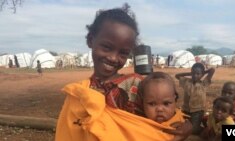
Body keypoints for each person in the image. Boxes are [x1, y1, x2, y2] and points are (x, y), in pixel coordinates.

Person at [56, 4, 191, 141]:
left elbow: (168, 117)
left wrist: (187, 127)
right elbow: (70, 133)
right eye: (107, 47)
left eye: (123, 53)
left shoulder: (137, 85)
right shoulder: (78, 94)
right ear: (91, 40)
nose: (113, 58)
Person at [175, 63, 215, 135]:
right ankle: (199, 122)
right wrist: (190, 73)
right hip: (186, 110)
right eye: (193, 73)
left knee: (193, 130)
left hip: (198, 111)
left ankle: (207, 129)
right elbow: (177, 76)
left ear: (202, 74)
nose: (195, 75)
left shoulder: (204, 83)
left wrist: (204, 73)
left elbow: (212, 70)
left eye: (198, 74)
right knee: (180, 126)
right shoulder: (186, 81)